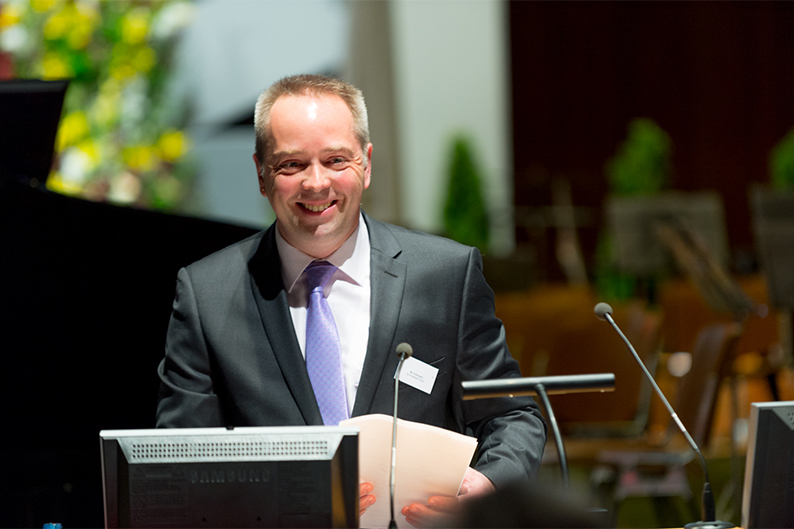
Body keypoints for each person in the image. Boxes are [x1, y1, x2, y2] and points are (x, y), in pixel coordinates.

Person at [156, 74, 546, 527]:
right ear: (261, 175)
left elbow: (513, 415)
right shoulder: (208, 294)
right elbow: (179, 461)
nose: (316, 183)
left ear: (366, 164)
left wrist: (488, 488)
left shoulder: (445, 275)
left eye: (336, 159)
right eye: (291, 165)